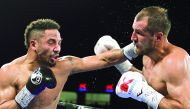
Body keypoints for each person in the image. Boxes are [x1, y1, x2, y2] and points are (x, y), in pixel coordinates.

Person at [0, 19, 134, 109]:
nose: (58, 48)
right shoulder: (9, 71)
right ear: (34, 44)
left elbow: (104, 60)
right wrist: (28, 91)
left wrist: (136, 48)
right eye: (51, 42)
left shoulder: (64, 65)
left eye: (59, 43)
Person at [94, 6, 190, 109]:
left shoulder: (176, 62)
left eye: (139, 32)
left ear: (158, 37)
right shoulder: (148, 53)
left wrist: (144, 93)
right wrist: (123, 66)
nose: (132, 37)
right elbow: (153, 83)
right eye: (133, 30)